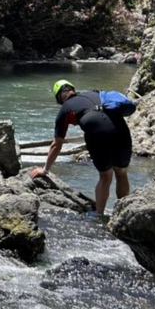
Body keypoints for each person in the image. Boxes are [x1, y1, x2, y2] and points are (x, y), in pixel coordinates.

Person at [29, 80, 132, 215]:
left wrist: (45, 170)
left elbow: (56, 145)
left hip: (98, 135)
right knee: (121, 173)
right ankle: (125, 214)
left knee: (105, 176)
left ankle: (99, 217)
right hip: (122, 132)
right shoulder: (95, 93)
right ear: (73, 89)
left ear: (59, 97)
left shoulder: (65, 109)